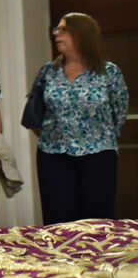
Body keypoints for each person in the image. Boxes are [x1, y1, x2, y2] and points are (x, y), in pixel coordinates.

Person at [34, 12, 128, 225]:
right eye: (56, 29)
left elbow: (119, 112)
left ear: (82, 35)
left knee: (97, 222)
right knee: (59, 223)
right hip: (53, 155)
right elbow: (36, 112)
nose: (56, 33)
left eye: (63, 29)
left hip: (98, 155)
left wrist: (97, 136)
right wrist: (53, 135)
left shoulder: (109, 72)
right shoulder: (49, 72)